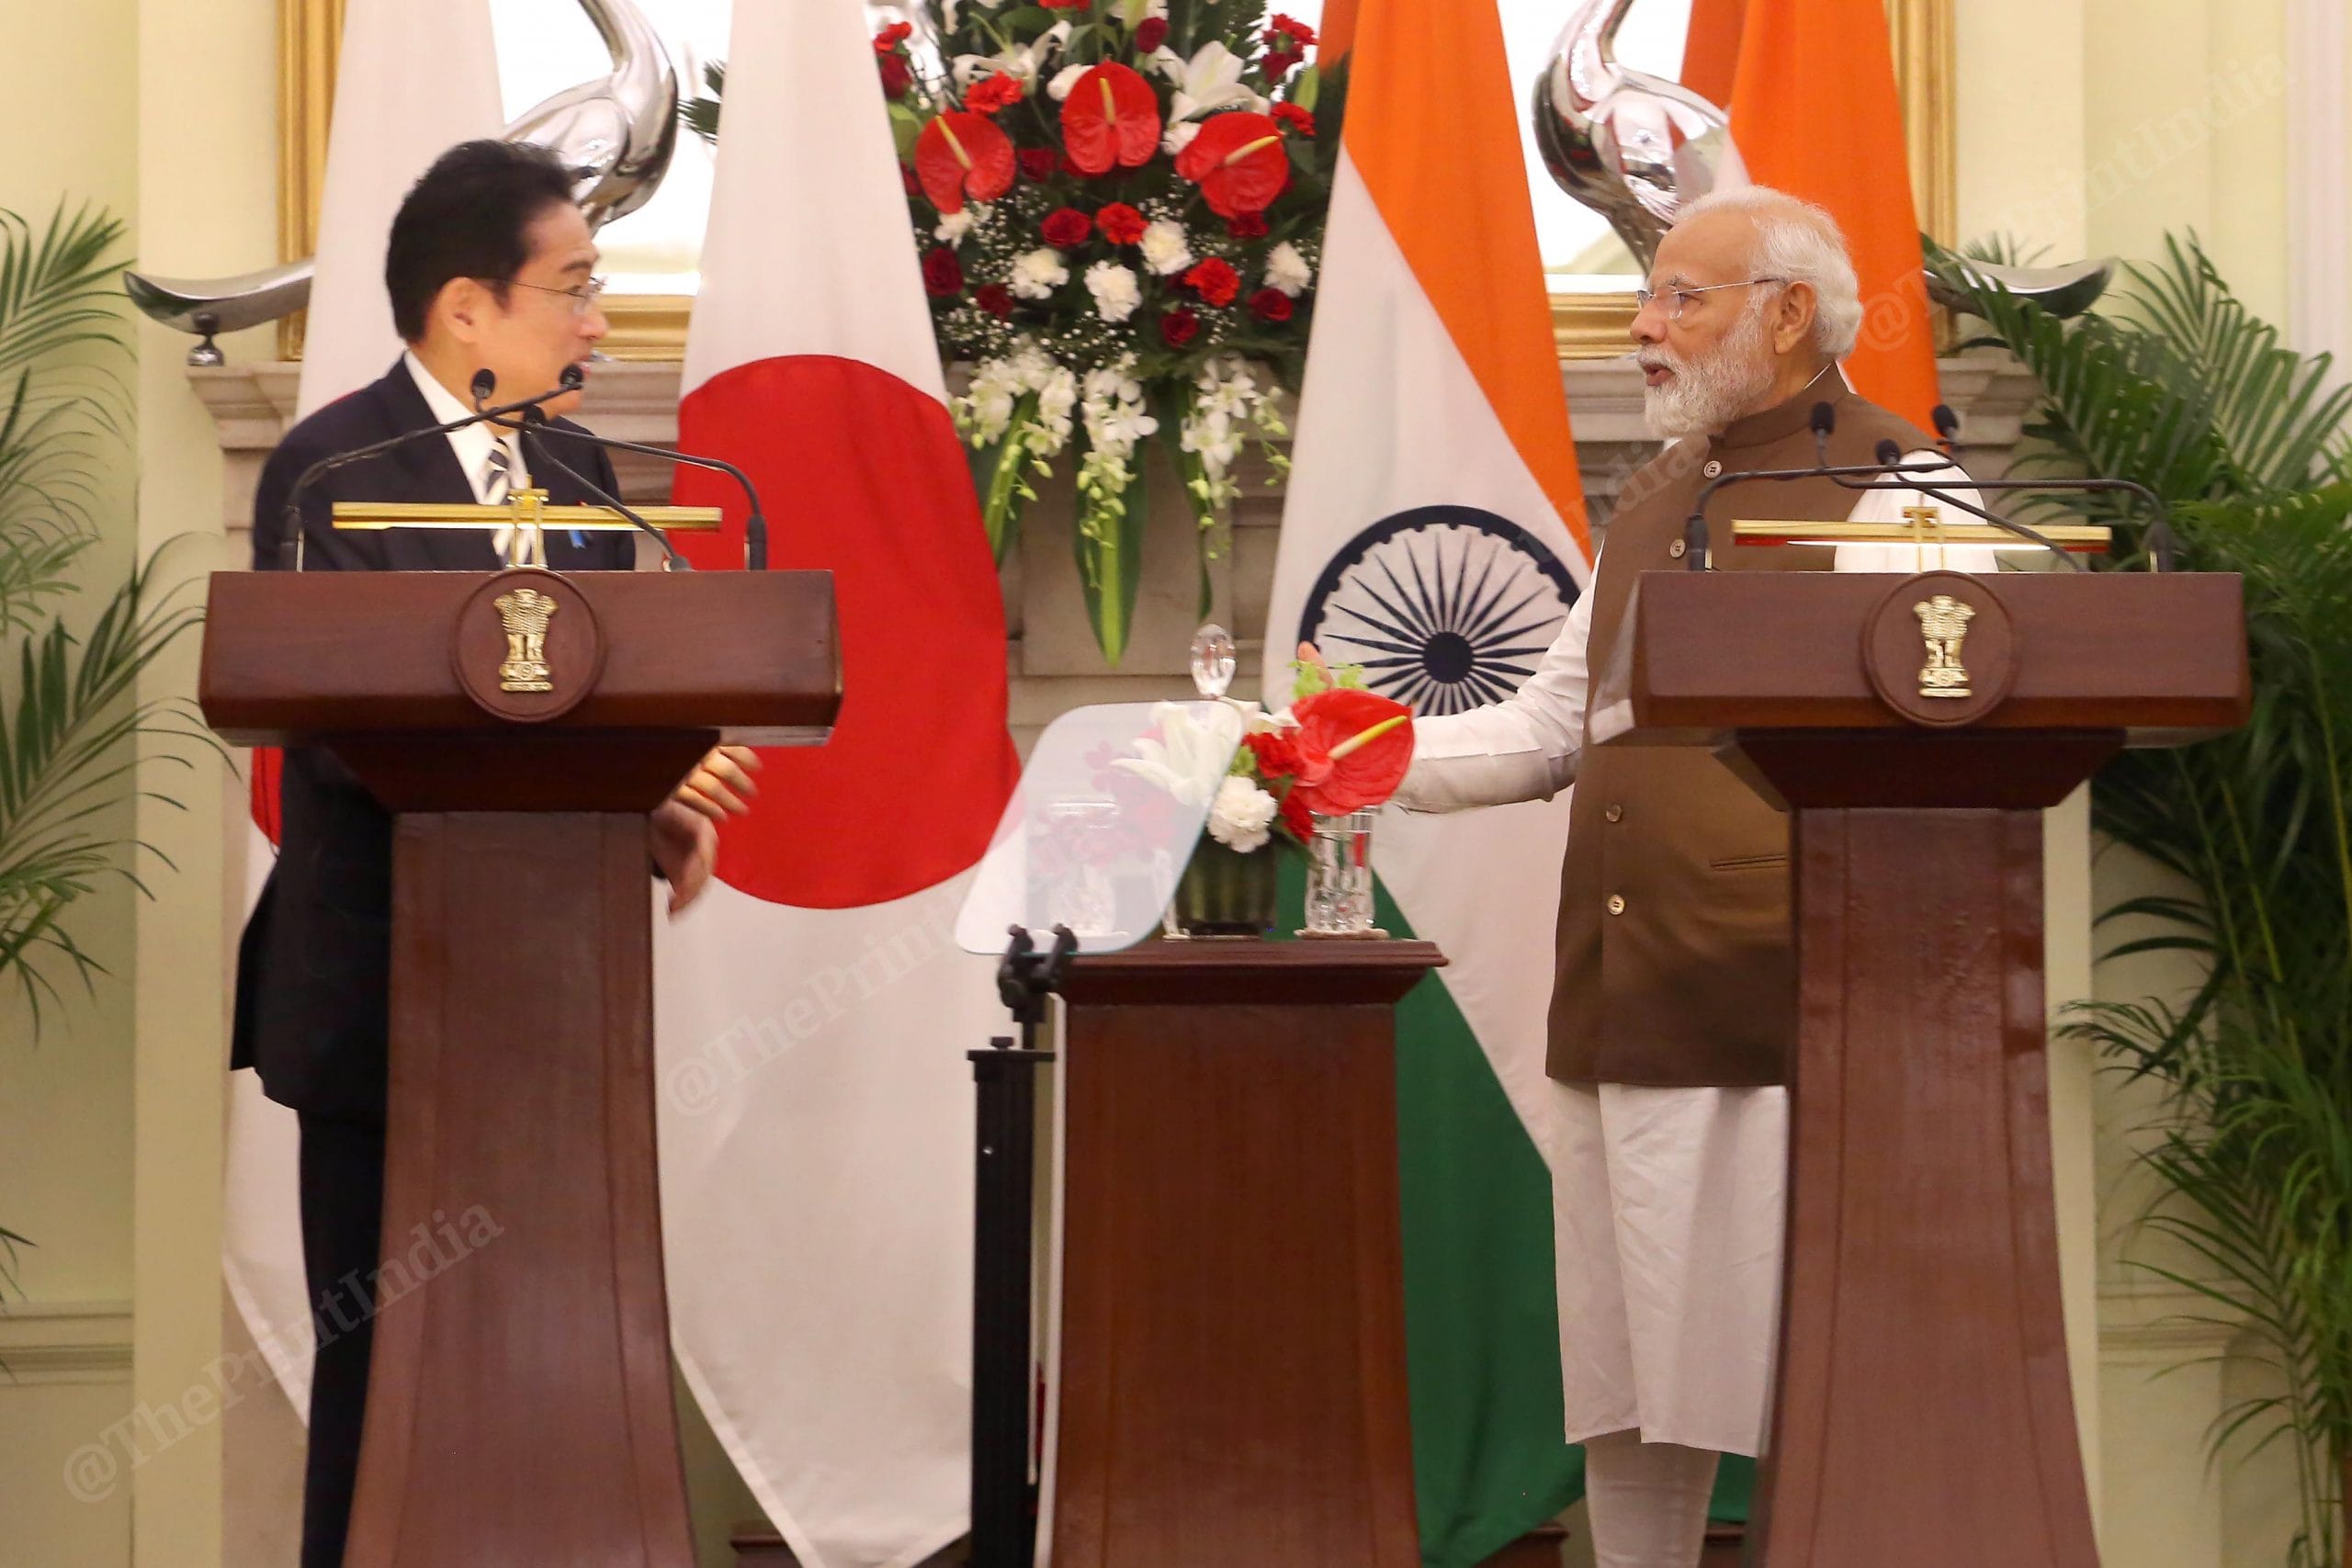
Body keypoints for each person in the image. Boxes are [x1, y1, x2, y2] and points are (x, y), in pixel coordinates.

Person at [1389, 186, 1981, 1568]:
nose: (1644, 330)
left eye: (1678, 298)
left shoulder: (1909, 485)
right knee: (1634, 1386)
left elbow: (1951, 738)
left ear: (1787, 313)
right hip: (1619, 990)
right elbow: (1550, 727)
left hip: (1775, 999)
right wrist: (1341, 755)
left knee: (1787, 1376)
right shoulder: (1659, 493)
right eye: (1647, 298)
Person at [231, 139, 758, 1568]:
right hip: (378, 1001)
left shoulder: (585, 468)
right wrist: (583, 765)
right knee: (386, 1382)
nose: (596, 321)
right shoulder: (330, 463)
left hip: (550, 1012)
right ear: (467, 306)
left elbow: (579, 693)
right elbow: (340, 734)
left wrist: (644, 799)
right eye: (574, 287)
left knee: (556, 1360)